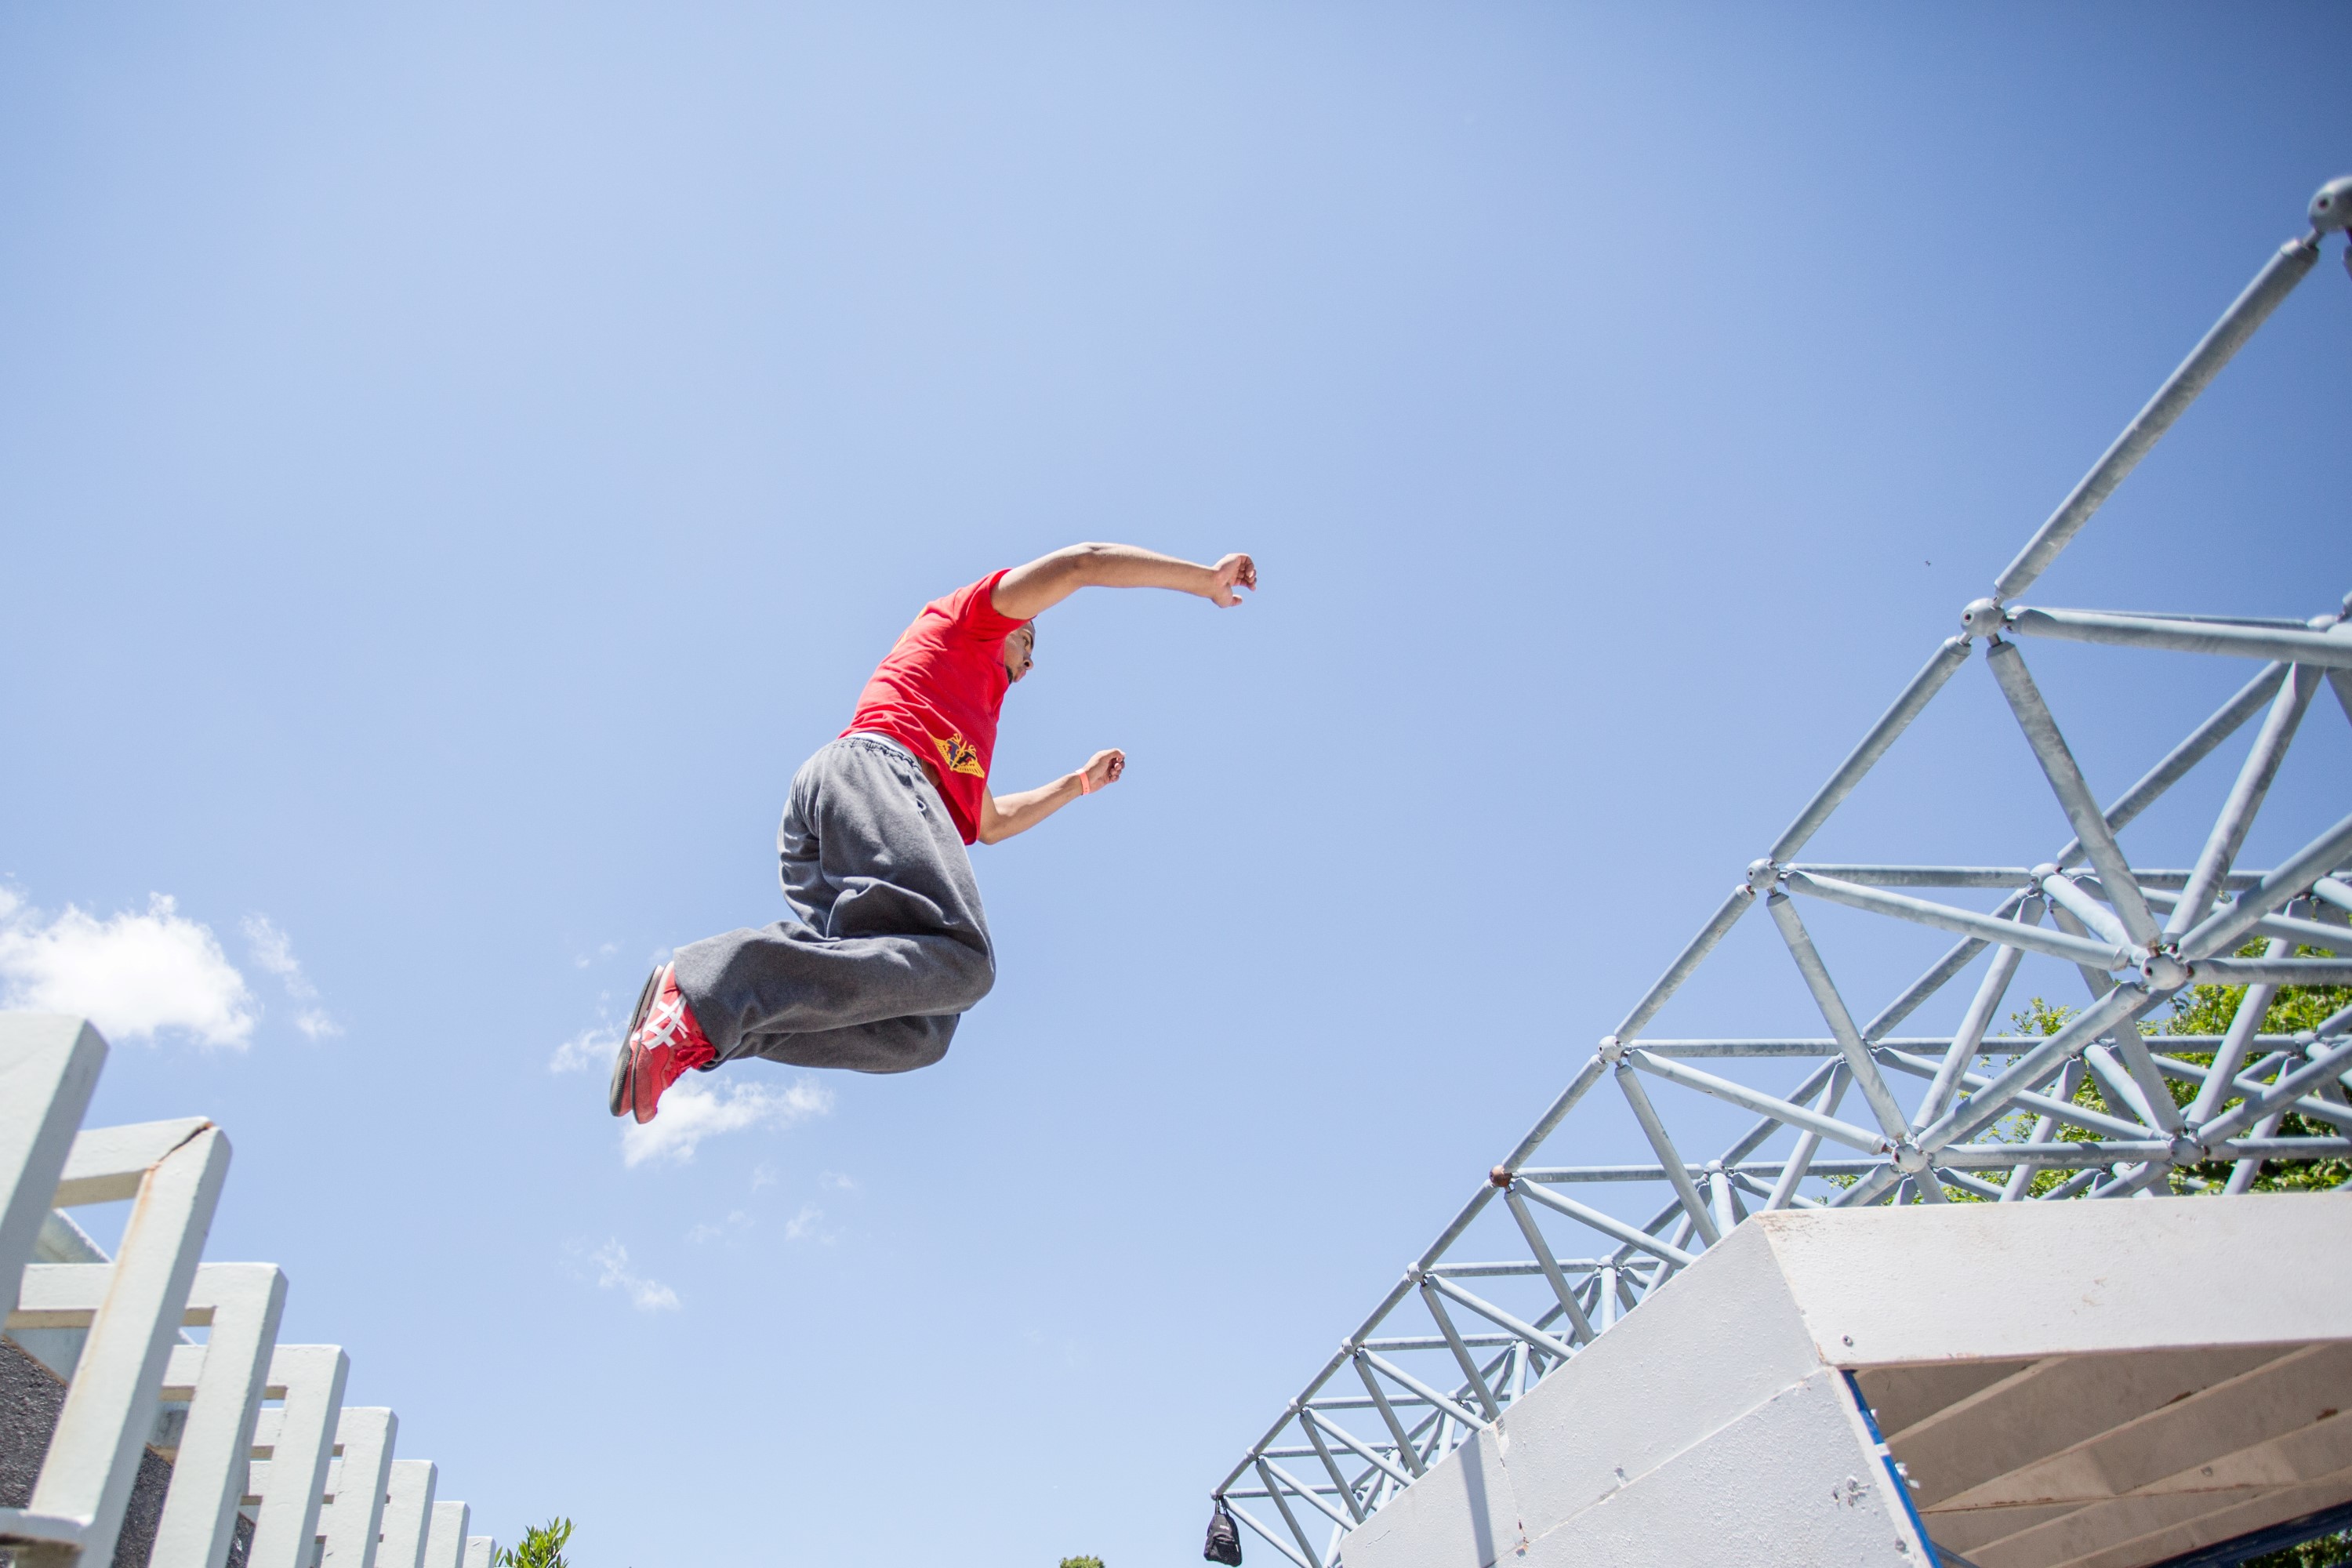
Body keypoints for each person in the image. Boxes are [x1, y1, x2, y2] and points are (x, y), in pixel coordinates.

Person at [609, 542, 1258, 1123]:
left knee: (920, 1032)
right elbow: (1080, 564)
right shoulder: (969, 622)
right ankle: (710, 986)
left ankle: (699, 1029)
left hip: (837, 832)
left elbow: (991, 823)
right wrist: (1203, 579)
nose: (1027, 667)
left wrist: (1077, 784)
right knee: (963, 957)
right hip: (871, 770)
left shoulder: (970, 747)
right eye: (1027, 645)